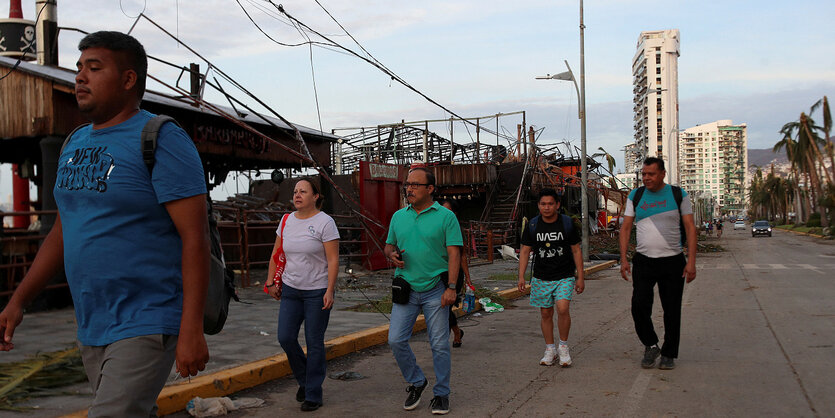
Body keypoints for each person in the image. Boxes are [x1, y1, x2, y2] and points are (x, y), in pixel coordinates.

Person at [0, 31, 210, 416]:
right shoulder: (74, 143)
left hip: (147, 317)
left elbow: (195, 238)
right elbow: (62, 232)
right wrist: (18, 301)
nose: (80, 76)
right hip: (92, 322)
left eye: (94, 68)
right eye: (80, 68)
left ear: (128, 80)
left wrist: (191, 328)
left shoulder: (161, 138)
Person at [385, 167, 462, 415]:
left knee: (439, 344)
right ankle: (417, 382)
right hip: (405, 288)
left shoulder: (446, 217)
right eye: (408, 184)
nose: (410, 189)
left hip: (435, 290)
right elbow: (388, 246)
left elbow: (454, 254)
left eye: (416, 185)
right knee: (395, 339)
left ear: (430, 189)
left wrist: (451, 287)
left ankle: (441, 394)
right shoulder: (398, 216)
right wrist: (392, 255)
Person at [265, 178, 339, 412]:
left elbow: (333, 259)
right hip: (291, 289)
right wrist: (270, 281)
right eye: (295, 191)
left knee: (314, 343)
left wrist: (330, 290)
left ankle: (313, 394)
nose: (297, 195)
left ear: (315, 196)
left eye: (303, 191)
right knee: (285, 337)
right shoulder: (286, 220)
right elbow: (276, 252)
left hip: (316, 291)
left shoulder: (325, 222)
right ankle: (305, 380)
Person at [619, 157, 697, 370]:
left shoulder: (678, 194)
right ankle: (651, 344)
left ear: (662, 173)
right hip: (644, 261)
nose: (646, 178)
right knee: (638, 307)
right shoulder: (636, 195)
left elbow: (690, 228)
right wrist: (624, 258)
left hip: (673, 261)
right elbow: (626, 228)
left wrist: (691, 262)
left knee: (671, 309)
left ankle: (669, 353)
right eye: (644, 174)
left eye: (651, 174)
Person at [517, 188, 584, 367]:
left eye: (550, 204)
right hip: (541, 276)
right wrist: (521, 276)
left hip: (565, 275)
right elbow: (525, 251)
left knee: (562, 308)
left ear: (557, 205)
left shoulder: (567, 224)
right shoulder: (532, 225)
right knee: (546, 313)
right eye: (543, 204)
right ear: (538, 206)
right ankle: (550, 349)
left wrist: (580, 277)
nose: (547, 208)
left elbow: (576, 250)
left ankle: (563, 346)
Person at [439, 199, 473, 348]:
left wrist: (468, 279)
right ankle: (456, 331)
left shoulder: (456, 229)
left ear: (454, 213)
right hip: (437, 273)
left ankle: (453, 334)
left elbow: (462, 256)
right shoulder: (434, 226)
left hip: (454, 274)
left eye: (448, 210)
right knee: (441, 307)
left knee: (446, 307)